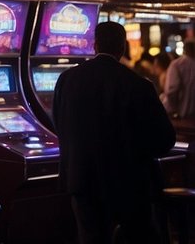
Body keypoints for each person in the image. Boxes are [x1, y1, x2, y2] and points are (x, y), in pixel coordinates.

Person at [54, 21, 175, 244]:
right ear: (122, 47)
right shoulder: (138, 85)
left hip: (81, 180)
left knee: (91, 238)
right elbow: (164, 140)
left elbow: (58, 125)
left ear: (94, 45)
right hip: (127, 185)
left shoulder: (66, 80)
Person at [164, 40, 195, 121]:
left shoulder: (177, 64)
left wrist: (174, 109)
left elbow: (172, 90)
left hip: (183, 116)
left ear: (184, 49)